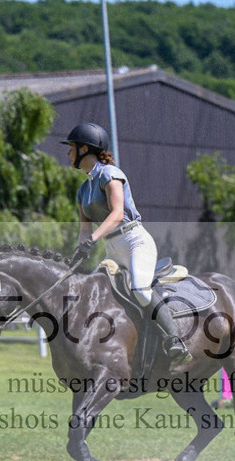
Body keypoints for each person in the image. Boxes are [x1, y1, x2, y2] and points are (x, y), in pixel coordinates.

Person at [62, 122, 191, 366]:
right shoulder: (82, 190)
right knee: (95, 292)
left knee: (141, 290)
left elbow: (118, 213)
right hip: (111, 247)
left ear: (85, 149)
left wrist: (92, 240)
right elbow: (84, 230)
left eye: (71, 148)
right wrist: (78, 253)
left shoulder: (111, 174)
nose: (68, 153)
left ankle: (175, 340)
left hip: (134, 241)